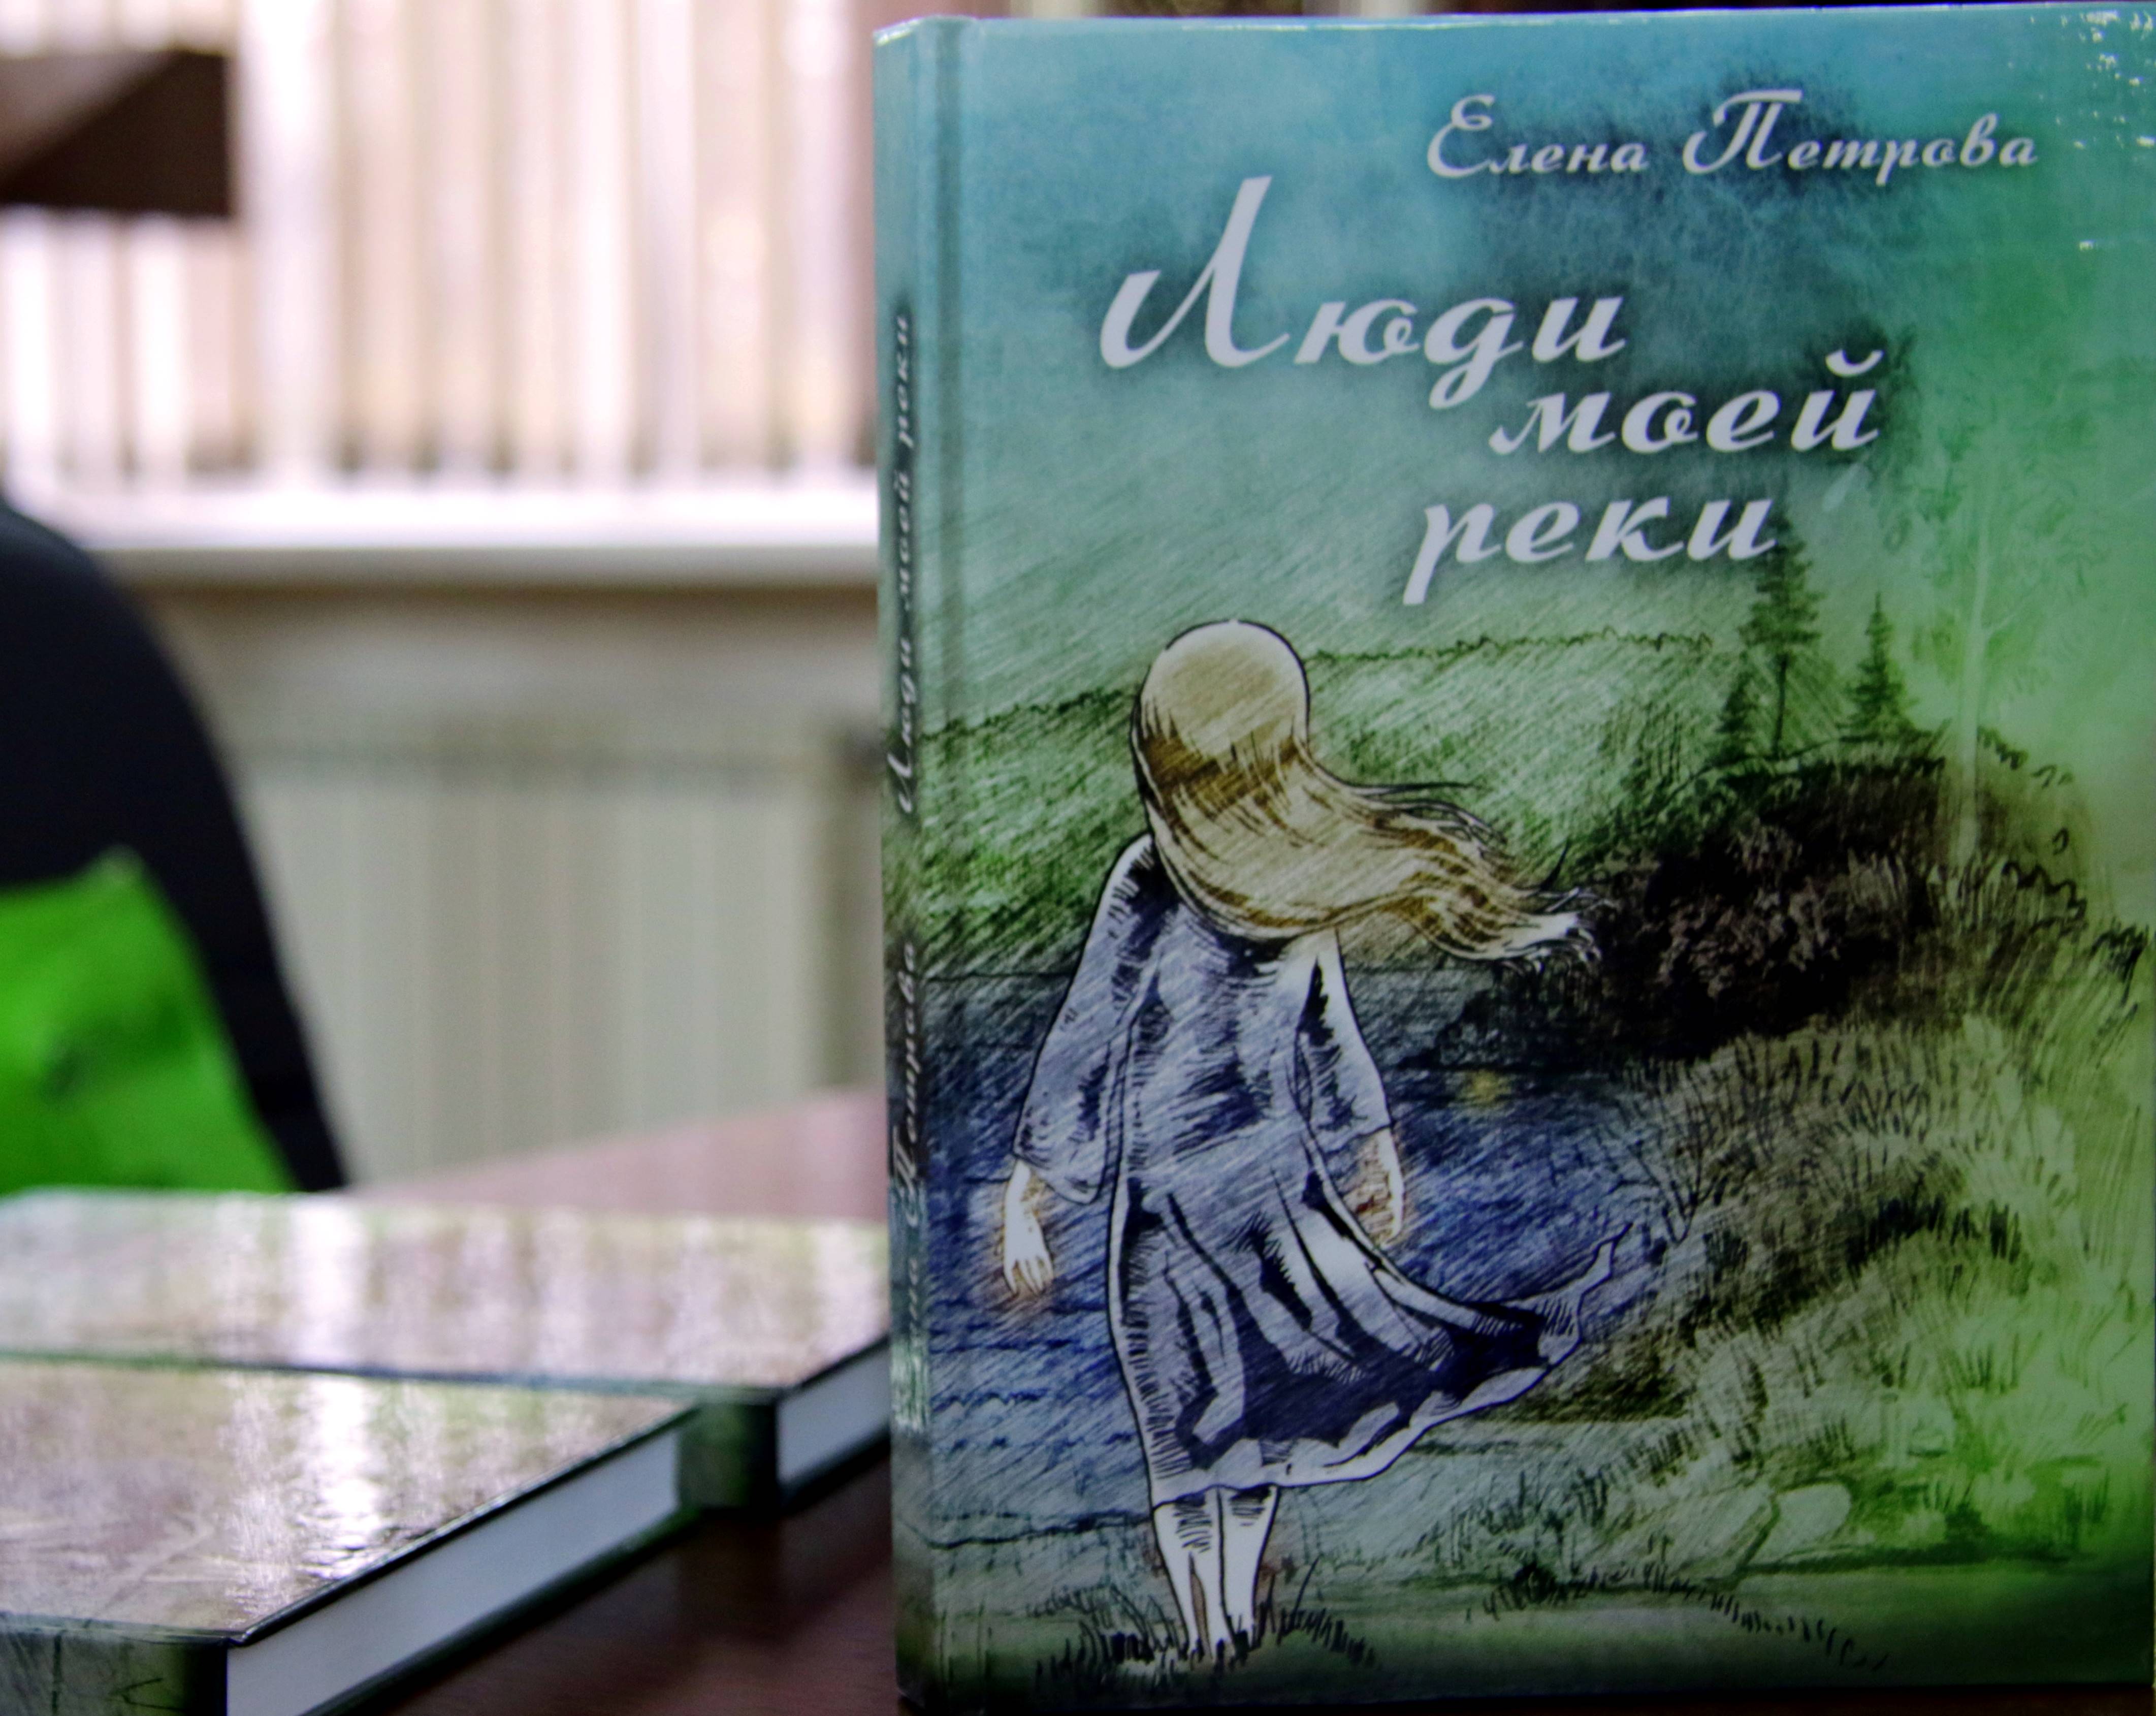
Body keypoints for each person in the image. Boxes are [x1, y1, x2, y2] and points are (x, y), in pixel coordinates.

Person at [999, 620, 1614, 1660]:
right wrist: (1031, 1191)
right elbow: (1089, 1031)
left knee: (1245, 1430)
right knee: (1189, 1436)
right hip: (1177, 1212)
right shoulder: (1154, 882)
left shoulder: (1285, 885)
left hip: (1262, 1199)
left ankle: (1227, 1638)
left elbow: (1326, 1030)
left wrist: (1372, 1148)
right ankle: (1212, 1636)